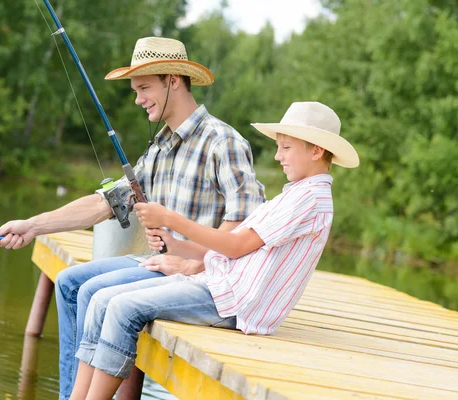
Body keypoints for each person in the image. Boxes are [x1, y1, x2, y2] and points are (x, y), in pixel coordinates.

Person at [0, 36, 265, 400]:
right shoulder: (161, 146)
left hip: (200, 275)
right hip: (157, 263)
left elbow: (245, 224)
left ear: (172, 80)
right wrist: (32, 225)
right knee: (70, 282)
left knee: (91, 291)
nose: (137, 99)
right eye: (135, 90)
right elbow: (106, 203)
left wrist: (190, 261)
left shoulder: (222, 142)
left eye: (143, 88)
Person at [68, 101, 360, 399]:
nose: (277, 156)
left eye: (286, 148)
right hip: (220, 287)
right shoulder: (298, 193)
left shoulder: (310, 198)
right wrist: (178, 246)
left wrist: (170, 218)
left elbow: (236, 246)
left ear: (316, 151)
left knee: (120, 308)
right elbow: (241, 251)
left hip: (234, 302)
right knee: (102, 299)